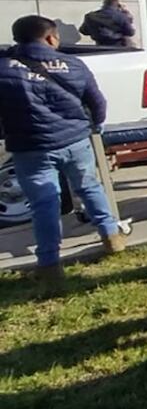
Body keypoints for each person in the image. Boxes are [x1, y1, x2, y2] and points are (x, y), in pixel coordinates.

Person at [0, 16, 128, 291]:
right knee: (89, 187)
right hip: (75, 140)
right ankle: (111, 237)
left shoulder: (4, 69)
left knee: (45, 205)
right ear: (49, 38)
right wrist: (96, 125)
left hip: (31, 148)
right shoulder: (73, 64)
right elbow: (97, 101)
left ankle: (49, 263)